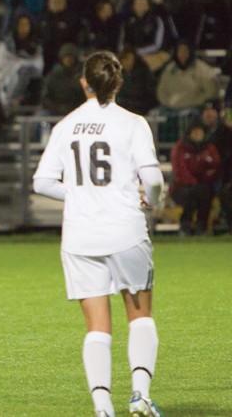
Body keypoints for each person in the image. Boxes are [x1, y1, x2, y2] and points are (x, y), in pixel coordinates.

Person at [33, 51, 165, 417]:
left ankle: (103, 406)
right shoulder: (133, 123)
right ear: (118, 83)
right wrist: (151, 201)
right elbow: (152, 179)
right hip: (126, 230)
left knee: (97, 327)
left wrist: (77, 193)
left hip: (81, 236)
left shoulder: (66, 126)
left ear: (83, 83)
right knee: (140, 316)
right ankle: (140, 396)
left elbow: (42, 182)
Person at [170, 122, 220, 235]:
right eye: (195, 132)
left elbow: (215, 166)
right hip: (181, 187)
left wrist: (206, 178)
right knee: (191, 194)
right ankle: (185, 226)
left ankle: (201, 227)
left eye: (200, 132)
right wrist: (193, 182)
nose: (198, 134)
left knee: (206, 193)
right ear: (189, 134)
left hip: (204, 185)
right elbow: (180, 170)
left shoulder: (209, 148)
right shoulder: (180, 148)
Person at [156, 40, 220, 111]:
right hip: (170, 108)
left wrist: (194, 101)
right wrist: (170, 103)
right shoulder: (169, 70)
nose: (182, 54)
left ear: (190, 52)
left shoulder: (203, 70)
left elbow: (211, 94)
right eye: (179, 51)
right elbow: (161, 92)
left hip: (196, 108)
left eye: (185, 51)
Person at [0, 12, 43, 108]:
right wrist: (20, 65)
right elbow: (3, 64)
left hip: (31, 80)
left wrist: (25, 65)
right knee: (21, 72)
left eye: (26, 24)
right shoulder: (6, 45)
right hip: (10, 78)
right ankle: (12, 100)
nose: (24, 27)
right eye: (21, 24)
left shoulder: (35, 45)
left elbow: (39, 65)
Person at [119, 0, 169, 72]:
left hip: (152, 53)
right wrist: (128, 53)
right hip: (131, 54)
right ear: (133, 6)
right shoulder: (127, 21)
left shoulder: (156, 20)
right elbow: (122, 41)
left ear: (147, 6)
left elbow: (157, 45)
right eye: (137, 4)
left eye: (142, 4)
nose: (139, 6)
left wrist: (137, 52)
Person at [39, 0, 80, 74]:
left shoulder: (72, 19)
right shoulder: (42, 18)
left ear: (64, 3)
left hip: (64, 58)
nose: (56, 4)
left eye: (59, 1)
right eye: (53, 1)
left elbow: (74, 41)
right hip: (44, 57)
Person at [41, 43, 84, 116]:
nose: (68, 59)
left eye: (70, 57)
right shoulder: (53, 75)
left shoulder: (82, 75)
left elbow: (86, 95)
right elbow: (45, 97)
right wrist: (57, 108)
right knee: (42, 115)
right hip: (55, 110)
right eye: (66, 57)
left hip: (77, 110)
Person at [116, 47, 158, 116]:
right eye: (126, 59)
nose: (129, 62)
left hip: (140, 109)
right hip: (122, 108)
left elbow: (149, 94)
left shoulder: (143, 73)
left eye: (132, 59)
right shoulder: (117, 74)